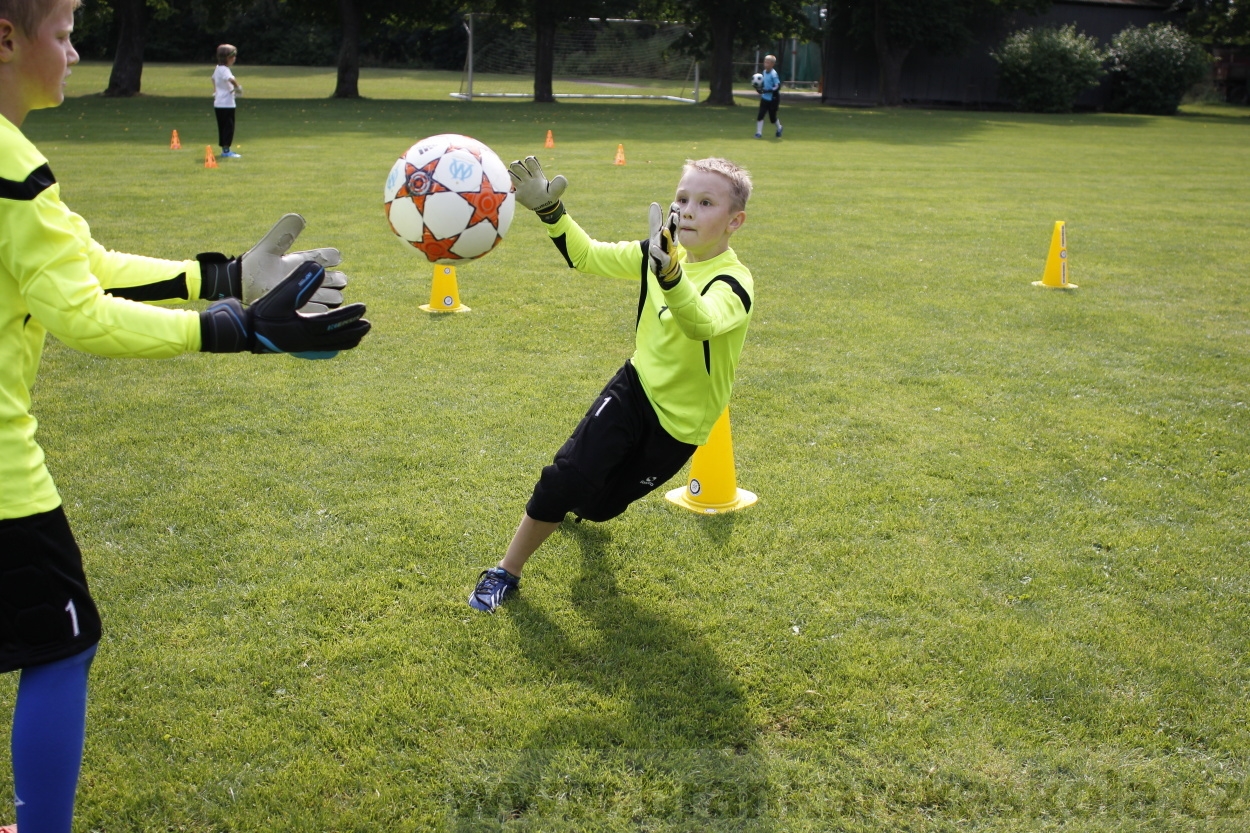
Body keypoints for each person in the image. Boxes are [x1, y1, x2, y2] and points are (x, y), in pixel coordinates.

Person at [0, 2, 371, 830]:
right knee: (63, 644)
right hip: (1, 477)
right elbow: (85, 312)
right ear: (7, 38)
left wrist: (226, 275)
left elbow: (83, 263)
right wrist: (234, 328)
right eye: (61, 35)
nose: (74, 50)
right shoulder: (12, 163)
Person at [468, 155, 755, 613]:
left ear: (734, 221)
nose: (687, 211)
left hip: (680, 427)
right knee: (564, 478)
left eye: (705, 202)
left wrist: (672, 275)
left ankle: (583, 504)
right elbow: (586, 256)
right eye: (682, 199)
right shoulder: (655, 253)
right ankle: (506, 570)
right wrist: (550, 213)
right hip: (634, 388)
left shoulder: (734, 282)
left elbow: (701, 323)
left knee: (600, 507)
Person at [212, 43, 242, 158]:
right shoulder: (225, 70)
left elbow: (213, 79)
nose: (235, 59)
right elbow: (231, 79)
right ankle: (226, 151)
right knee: (228, 127)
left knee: (223, 126)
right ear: (228, 58)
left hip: (219, 103)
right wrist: (237, 87)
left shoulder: (218, 68)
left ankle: (225, 149)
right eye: (233, 56)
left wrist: (216, 91)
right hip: (227, 104)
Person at [755, 54, 782, 139]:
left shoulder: (773, 74)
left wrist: (769, 90)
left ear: (772, 64)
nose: (765, 64)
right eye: (765, 62)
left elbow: (777, 86)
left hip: (773, 99)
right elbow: (763, 84)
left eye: (768, 62)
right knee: (760, 115)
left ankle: (779, 128)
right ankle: (758, 133)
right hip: (764, 98)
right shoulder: (763, 72)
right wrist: (760, 89)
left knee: (772, 118)